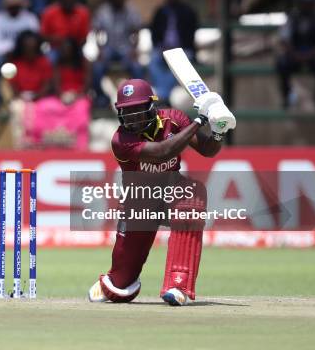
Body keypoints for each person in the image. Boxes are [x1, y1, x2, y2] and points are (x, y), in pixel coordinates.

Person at [88, 78, 235, 306]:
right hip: (139, 202)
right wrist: (201, 119)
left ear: (151, 107)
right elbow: (162, 152)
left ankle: (179, 285)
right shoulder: (121, 140)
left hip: (171, 191)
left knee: (191, 196)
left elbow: (207, 150)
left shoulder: (174, 120)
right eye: (127, 113)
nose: (133, 119)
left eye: (137, 111)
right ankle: (113, 280)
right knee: (119, 287)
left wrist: (218, 129)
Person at [92, 0, 144, 107]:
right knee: (97, 68)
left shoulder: (130, 10)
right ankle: (101, 97)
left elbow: (136, 31)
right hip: (109, 47)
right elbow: (98, 31)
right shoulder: (103, 11)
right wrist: (100, 49)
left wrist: (134, 49)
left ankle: (139, 96)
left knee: (137, 67)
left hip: (125, 47)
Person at [0, 0, 39, 109]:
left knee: (43, 61)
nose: (14, 9)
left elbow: (36, 39)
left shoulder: (30, 18)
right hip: (4, 54)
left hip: (25, 54)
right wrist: (9, 50)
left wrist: (20, 50)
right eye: (11, 6)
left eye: (16, 6)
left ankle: (38, 97)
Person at [148, 0, 198, 103]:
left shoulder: (188, 12)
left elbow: (190, 36)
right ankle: (163, 93)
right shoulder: (160, 11)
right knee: (153, 61)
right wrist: (162, 47)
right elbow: (154, 33)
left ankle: (163, 95)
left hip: (182, 49)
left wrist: (176, 48)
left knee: (178, 64)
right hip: (162, 48)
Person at [276, 0, 315, 108]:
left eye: (309, 3)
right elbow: (284, 39)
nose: (306, 6)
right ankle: (287, 96)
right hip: (294, 53)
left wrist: (310, 54)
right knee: (282, 63)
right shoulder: (292, 18)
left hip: (313, 54)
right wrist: (295, 54)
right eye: (304, 3)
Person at [40, 0, 90, 64]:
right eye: (66, 0)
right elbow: (42, 36)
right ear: (60, 0)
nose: (68, 3)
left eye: (71, 0)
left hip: (75, 50)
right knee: (48, 62)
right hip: (55, 48)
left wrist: (72, 45)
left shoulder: (83, 13)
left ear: (75, 1)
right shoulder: (49, 12)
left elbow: (84, 37)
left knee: (90, 64)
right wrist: (57, 40)